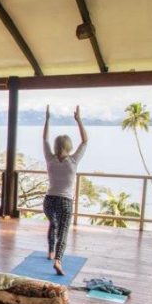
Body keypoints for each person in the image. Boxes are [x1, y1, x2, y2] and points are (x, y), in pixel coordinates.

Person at [43, 104, 87, 276]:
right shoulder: (73, 161)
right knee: (63, 231)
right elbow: (85, 141)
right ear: (69, 147)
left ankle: (49, 251)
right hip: (65, 202)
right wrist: (79, 120)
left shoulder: (50, 159)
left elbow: (45, 140)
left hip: (49, 201)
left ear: (56, 146)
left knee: (53, 225)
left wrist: (47, 119)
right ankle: (58, 260)